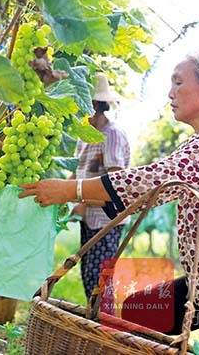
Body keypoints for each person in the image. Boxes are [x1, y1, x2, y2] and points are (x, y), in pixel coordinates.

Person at [19, 50, 199, 354]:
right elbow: (155, 186)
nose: (171, 93)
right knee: (139, 312)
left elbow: (153, 181)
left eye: (179, 83)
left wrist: (70, 190)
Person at [70, 72, 131, 305]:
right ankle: (96, 326)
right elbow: (77, 171)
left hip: (106, 219)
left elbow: (115, 182)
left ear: (94, 104)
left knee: (99, 279)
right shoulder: (85, 135)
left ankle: (104, 330)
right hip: (90, 218)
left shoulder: (111, 135)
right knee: (88, 274)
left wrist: (81, 201)